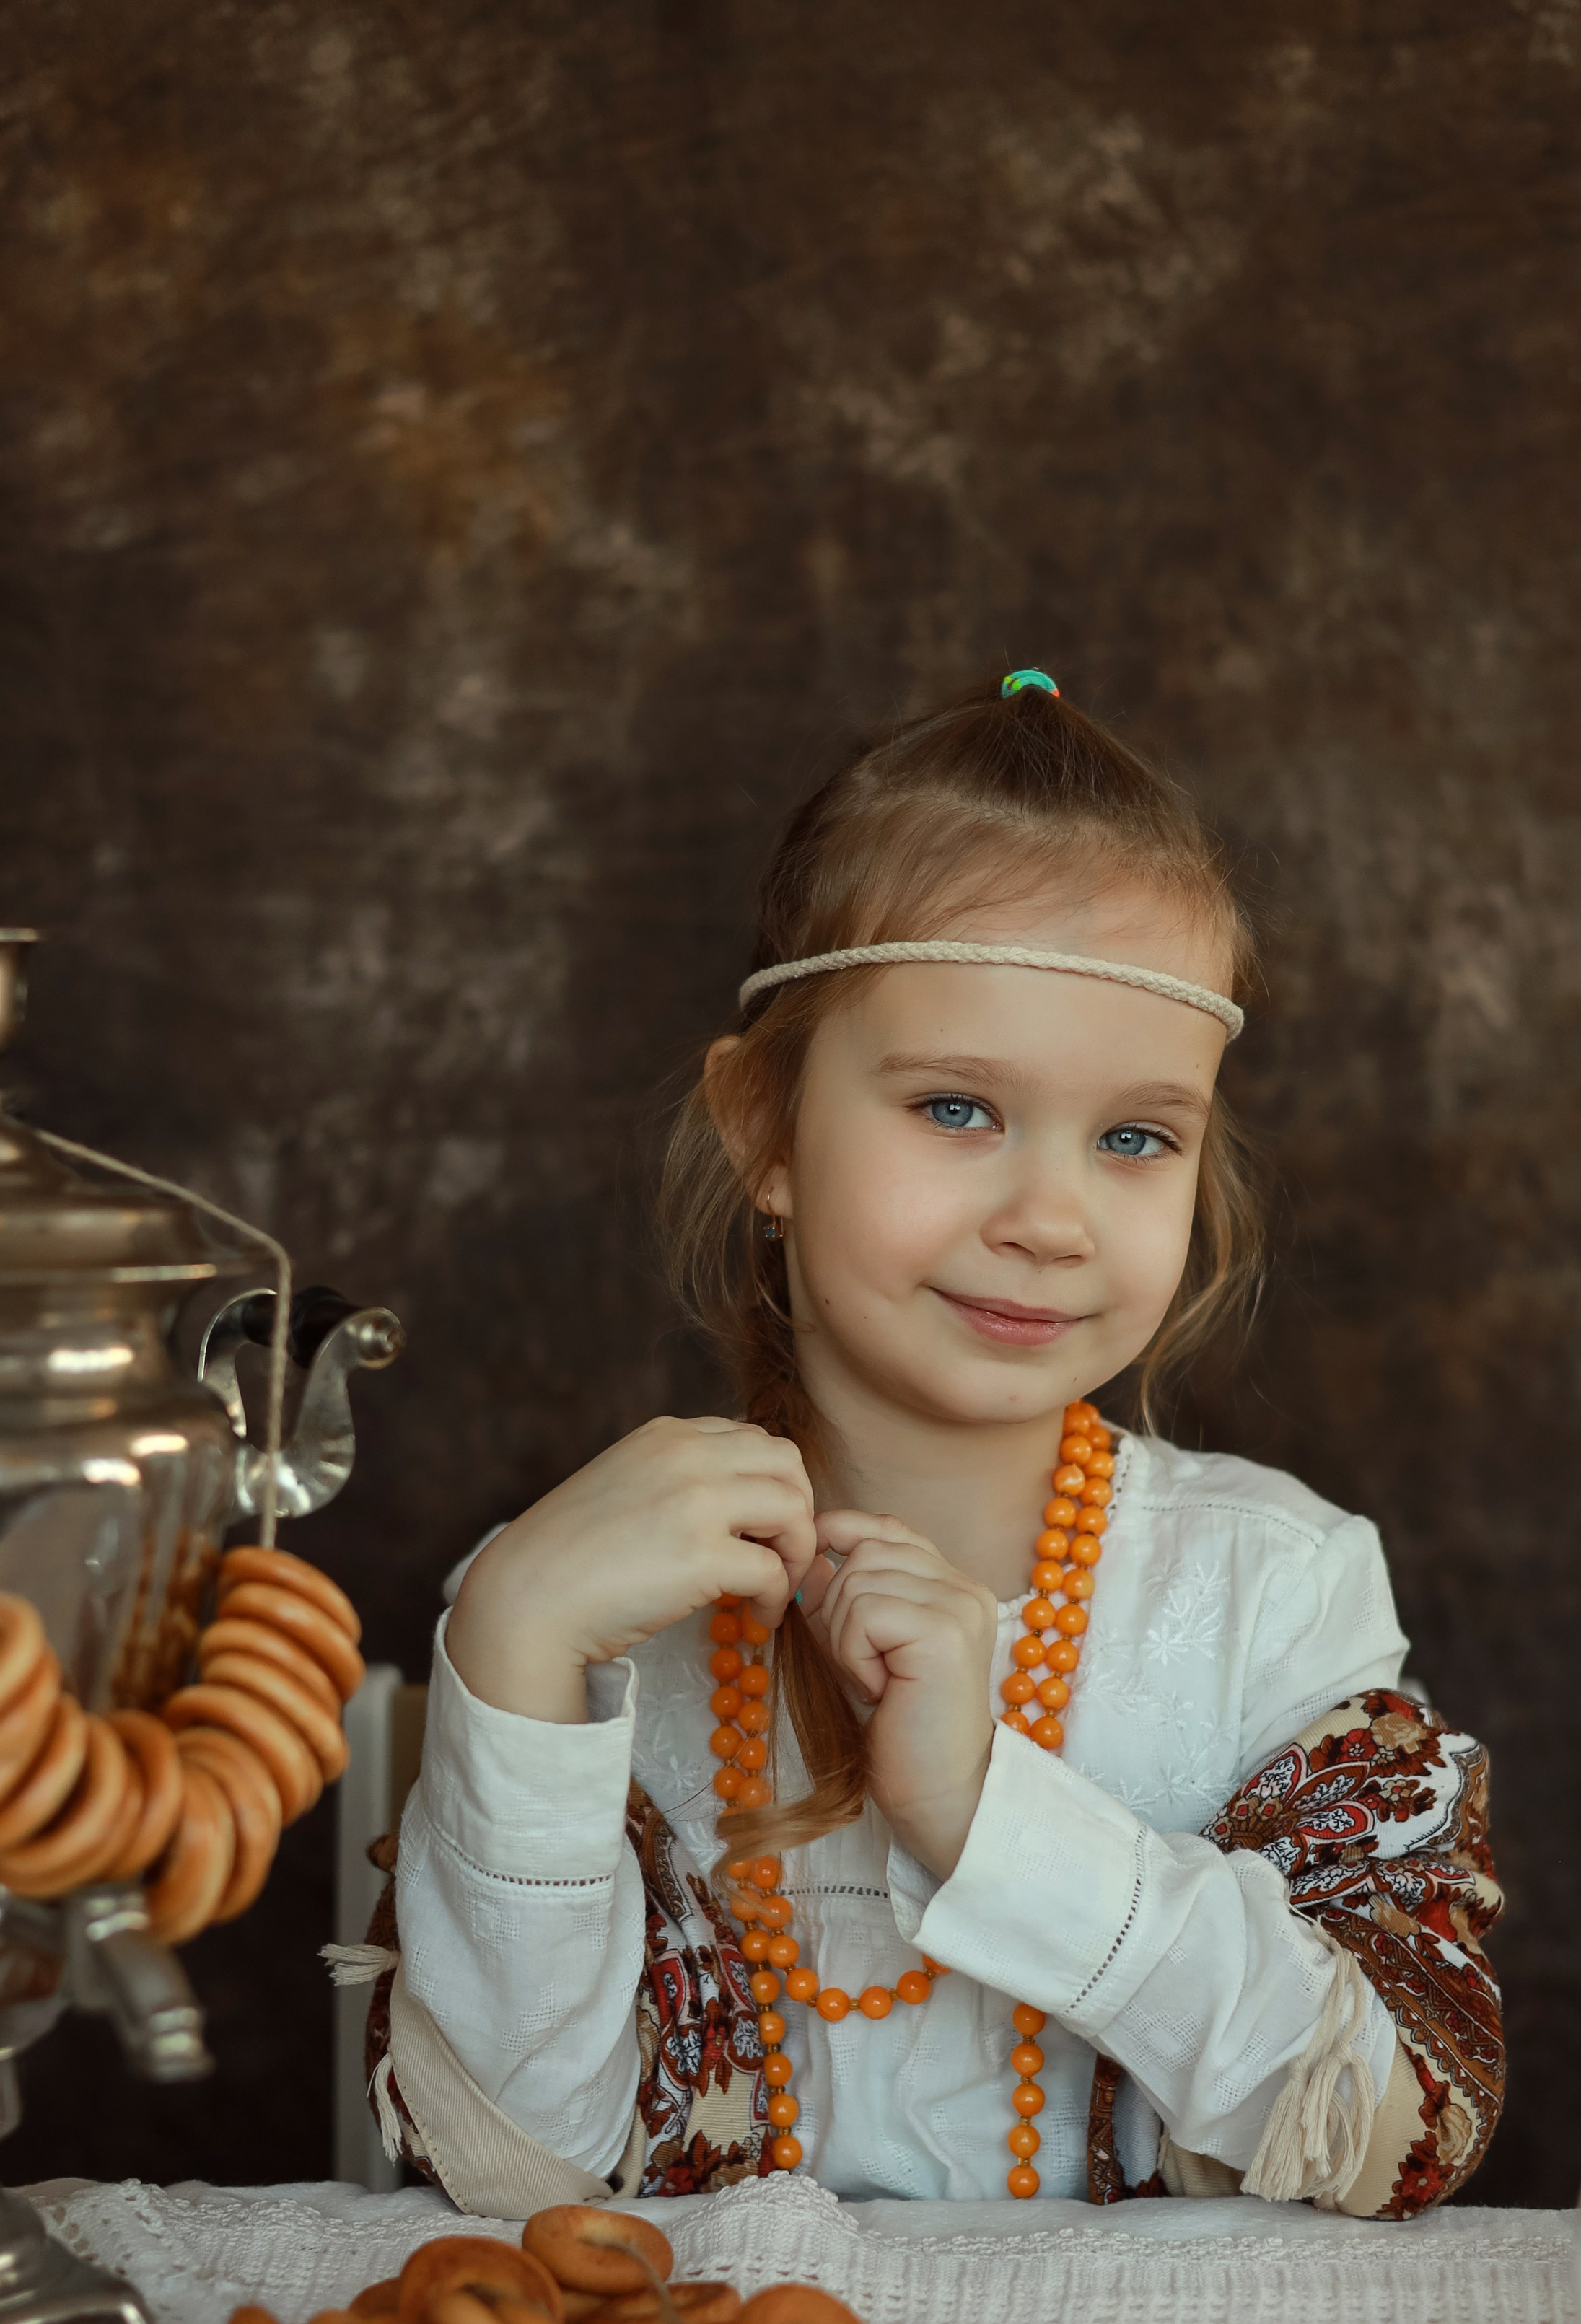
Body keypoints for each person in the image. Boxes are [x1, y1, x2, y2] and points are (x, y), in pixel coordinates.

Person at [361, 671, 1502, 2220]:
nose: (1049, 1219)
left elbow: (1398, 2125)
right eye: (958, 1108)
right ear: (762, 1128)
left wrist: (985, 1814)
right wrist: (509, 1654)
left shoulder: (1276, 1588)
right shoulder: (572, 1609)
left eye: (1134, 1137)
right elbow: (513, 2175)